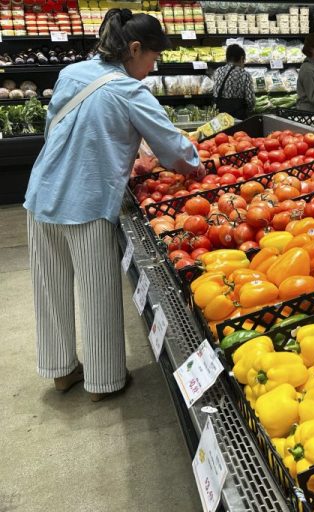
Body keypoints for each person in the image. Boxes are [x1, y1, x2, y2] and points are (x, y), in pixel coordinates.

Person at [23, 8, 203, 402]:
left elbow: (60, 128)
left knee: (49, 289)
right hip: (86, 204)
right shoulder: (130, 91)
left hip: (41, 194)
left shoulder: (71, 73)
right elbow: (174, 149)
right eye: (153, 58)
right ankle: (104, 381)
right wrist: (197, 162)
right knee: (97, 293)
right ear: (135, 49)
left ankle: (61, 371)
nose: (152, 68)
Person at [212, 44, 255, 120]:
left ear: (227, 58)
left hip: (220, 117)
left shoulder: (218, 71)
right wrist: (248, 111)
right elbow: (250, 100)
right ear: (242, 58)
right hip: (237, 118)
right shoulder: (244, 74)